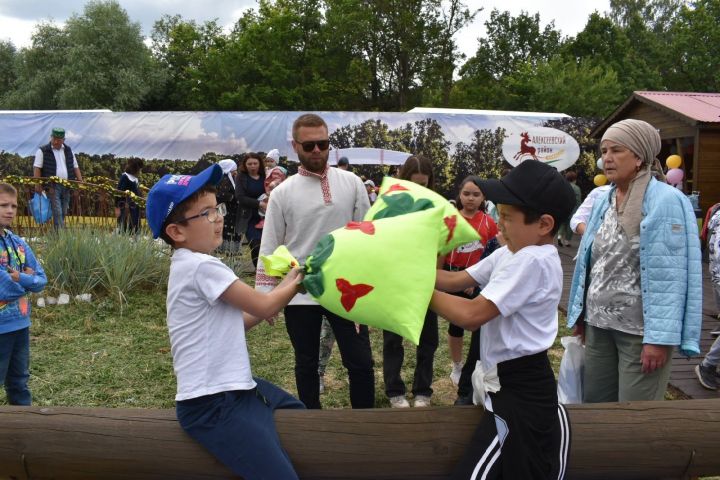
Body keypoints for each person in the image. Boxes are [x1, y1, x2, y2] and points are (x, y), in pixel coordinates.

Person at [145, 164, 305, 479]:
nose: (218, 217)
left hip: (233, 389)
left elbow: (233, 323)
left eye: (216, 208)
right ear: (176, 232)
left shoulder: (187, 265)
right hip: (212, 404)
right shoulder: (202, 266)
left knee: (294, 413)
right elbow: (264, 302)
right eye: (205, 213)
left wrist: (263, 311)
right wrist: (296, 278)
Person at [430, 160, 574, 479]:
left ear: (544, 224)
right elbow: (457, 280)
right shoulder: (511, 251)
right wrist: (413, 271)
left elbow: (471, 315)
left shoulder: (533, 260)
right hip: (505, 380)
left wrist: (415, 290)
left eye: (507, 217)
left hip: (520, 389)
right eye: (498, 214)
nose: (499, 225)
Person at [567, 119, 702, 403]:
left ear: (639, 156)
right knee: (596, 406)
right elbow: (590, 261)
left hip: (640, 332)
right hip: (599, 324)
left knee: (634, 415)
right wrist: (581, 315)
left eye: (616, 150)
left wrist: (660, 339)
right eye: (604, 151)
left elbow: (671, 274)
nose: (607, 158)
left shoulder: (665, 200)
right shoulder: (605, 199)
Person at [256, 113, 375, 409]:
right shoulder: (282, 193)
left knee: (360, 362)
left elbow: (368, 236)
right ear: (295, 146)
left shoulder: (352, 183)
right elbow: (270, 244)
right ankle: (310, 424)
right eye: (309, 146)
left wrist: (372, 281)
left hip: (346, 288)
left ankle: (366, 426)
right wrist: (265, 298)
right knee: (306, 364)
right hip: (300, 292)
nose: (317, 151)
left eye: (323, 144)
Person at [383, 154, 438, 408]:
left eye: (424, 184)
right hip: (394, 280)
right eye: (414, 182)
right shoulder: (389, 204)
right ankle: (395, 390)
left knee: (428, 338)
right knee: (393, 338)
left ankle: (423, 391)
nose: (419, 188)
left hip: (424, 280)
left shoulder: (436, 206)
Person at [443, 176, 498, 406]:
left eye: (476, 194)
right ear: (460, 194)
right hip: (449, 276)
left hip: (475, 281)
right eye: (467, 193)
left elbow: (492, 253)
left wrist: (475, 281)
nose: (471, 199)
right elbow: (441, 248)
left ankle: (474, 365)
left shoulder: (488, 223)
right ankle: (456, 366)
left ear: (483, 197)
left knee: (477, 326)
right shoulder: (449, 220)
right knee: (455, 327)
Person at [0, 182, 47, 405]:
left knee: (19, 381)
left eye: (14, 206)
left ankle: (22, 431)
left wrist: (19, 277)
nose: (10, 210)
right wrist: (26, 278)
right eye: (3, 205)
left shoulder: (17, 242)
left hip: (20, 323)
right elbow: (4, 287)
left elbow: (41, 280)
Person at [33, 127, 84, 229]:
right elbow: (37, 168)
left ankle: (56, 233)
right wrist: (37, 184)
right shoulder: (43, 150)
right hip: (52, 186)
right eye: (54, 138)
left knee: (64, 211)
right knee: (57, 211)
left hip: (66, 185)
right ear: (51, 137)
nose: (55, 141)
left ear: (63, 140)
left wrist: (80, 181)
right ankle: (60, 236)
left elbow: (75, 167)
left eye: (58, 140)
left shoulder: (69, 150)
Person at [235, 153, 266, 267]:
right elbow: (240, 197)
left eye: (255, 163)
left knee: (267, 244)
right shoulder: (241, 177)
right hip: (249, 218)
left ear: (259, 164)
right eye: (249, 164)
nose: (252, 166)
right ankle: (259, 270)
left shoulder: (265, 176)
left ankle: (269, 269)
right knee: (256, 243)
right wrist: (259, 204)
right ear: (245, 165)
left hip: (265, 217)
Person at [215, 159, 241, 253]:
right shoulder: (224, 179)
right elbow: (221, 195)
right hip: (227, 213)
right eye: (234, 169)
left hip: (231, 212)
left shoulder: (226, 178)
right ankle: (226, 254)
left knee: (229, 233)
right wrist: (236, 198)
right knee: (226, 233)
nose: (235, 171)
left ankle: (229, 255)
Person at [116, 158, 144, 234]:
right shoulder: (125, 177)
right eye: (140, 169)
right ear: (135, 169)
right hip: (126, 206)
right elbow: (118, 193)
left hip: (134, 207)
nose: (140, 171)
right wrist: (117, 208)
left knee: (135, 225)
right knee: (125, 226)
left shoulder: (135, 178)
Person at [556, 171, 581, 246]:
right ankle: (567, 241)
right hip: (572, 209)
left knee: (562, 223)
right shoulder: (576, 188)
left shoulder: (562, 186)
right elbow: (578, 200)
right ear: (574, 179)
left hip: (562, 208)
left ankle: (559, 236)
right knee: (570, 225)